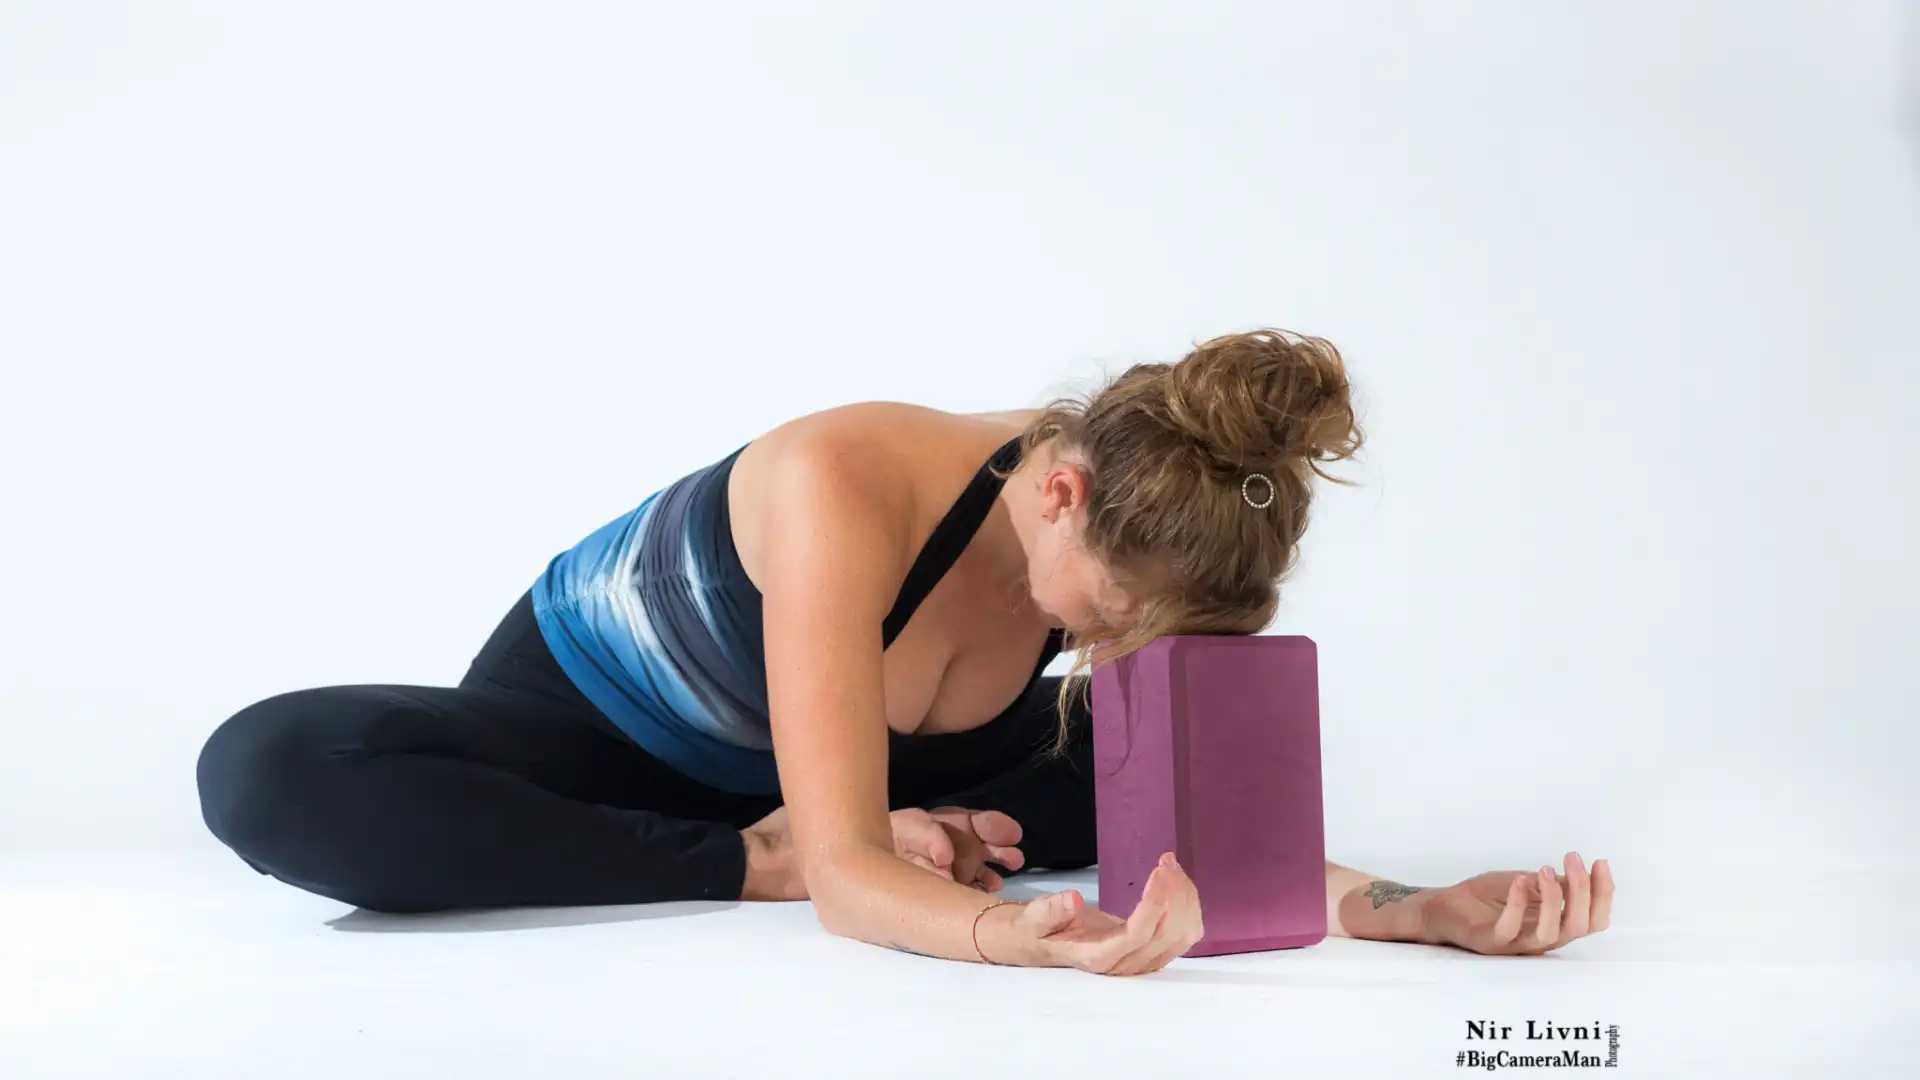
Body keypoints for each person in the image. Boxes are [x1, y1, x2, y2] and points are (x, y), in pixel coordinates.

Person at [196, 328, 1614, 976]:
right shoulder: (845, 482)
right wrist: (1014, 932)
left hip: (913, 777)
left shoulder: (1114, 572)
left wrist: (1413, 908)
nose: (1115, 646)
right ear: (1060, 490)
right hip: (597, 747)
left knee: (1123, 767)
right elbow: (857, 890)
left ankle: (847, 825)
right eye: (1114, 608)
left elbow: (1198, 842)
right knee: (273, 770)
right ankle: (747, 851)